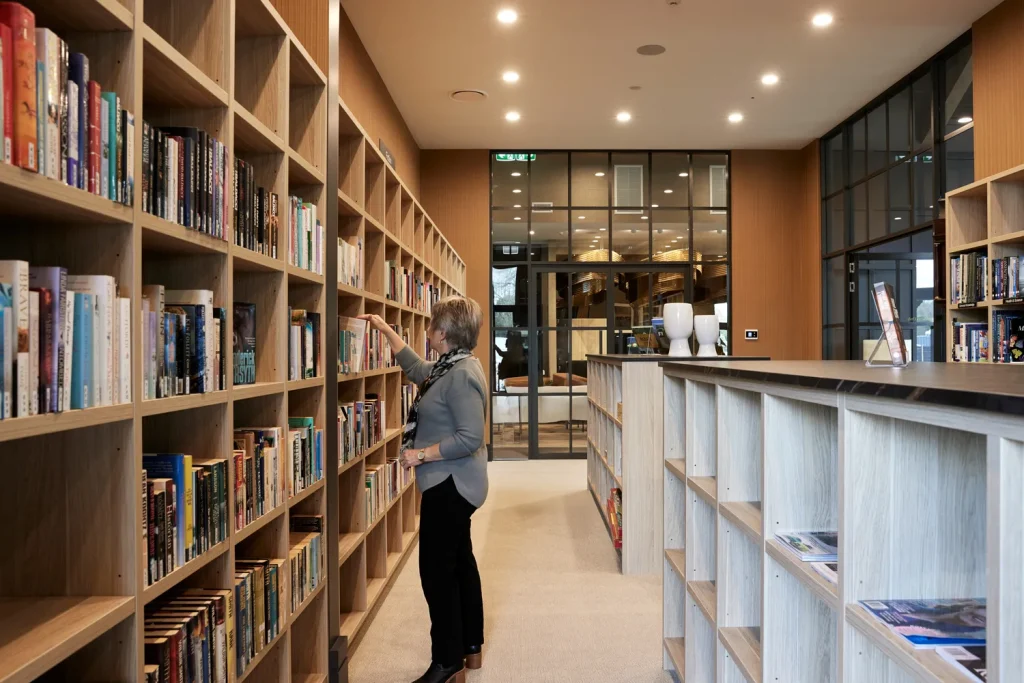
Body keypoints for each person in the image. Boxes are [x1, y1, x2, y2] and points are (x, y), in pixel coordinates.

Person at [359, 296, 488, 683]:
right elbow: (417, 369)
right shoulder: (451, 365)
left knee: (436, 573)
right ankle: (470, 648)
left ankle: (447, 661)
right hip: (452, 479)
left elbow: (470, 437)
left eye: (430, 325)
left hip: (452, 482)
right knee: (460, 562)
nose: (427, 329)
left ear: (442, 333)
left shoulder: (462, 375)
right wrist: (384, 330)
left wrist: (421, 455)